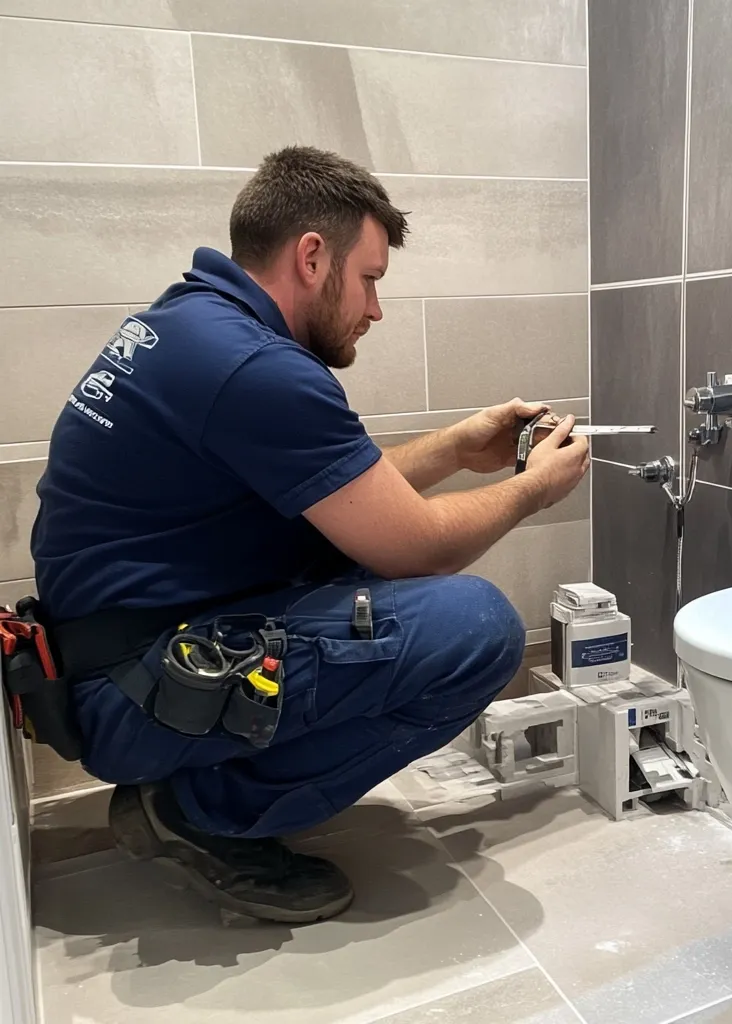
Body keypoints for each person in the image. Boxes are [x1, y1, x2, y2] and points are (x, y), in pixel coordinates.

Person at [29, 146, 590, 924]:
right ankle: (201, 810)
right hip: (140, 688)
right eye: (370, 279)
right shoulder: (253, 365)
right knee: (477, 628)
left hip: (118, 664)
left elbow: (342, 492)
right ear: (312, 256)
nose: (376, 309)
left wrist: (460, 448)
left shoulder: (193, 324)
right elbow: (416, 544)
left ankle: (196, 783)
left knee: (347, 560)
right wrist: (533, 490)